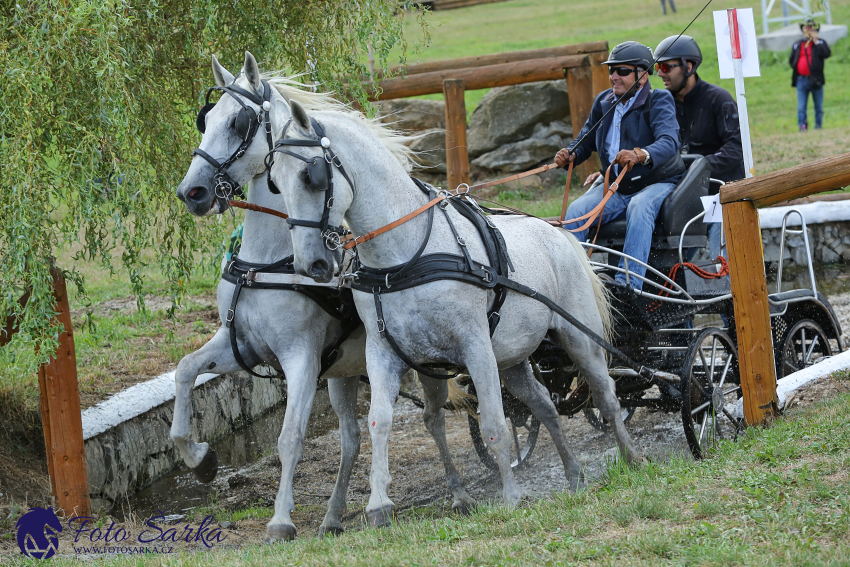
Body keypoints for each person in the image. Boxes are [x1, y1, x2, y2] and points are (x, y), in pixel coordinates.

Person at [555, 41, 682, 290]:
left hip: (656, 182)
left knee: (639, 205)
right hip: (618, 186)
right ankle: (574, 286)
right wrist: (571, 153)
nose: (614, 76)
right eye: (611, 70)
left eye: (622, 71)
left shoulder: (659, 100)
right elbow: (585, 139)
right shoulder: (603, 101)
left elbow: (669, 142)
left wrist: (641, 154)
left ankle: (629, 286)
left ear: (642, 75)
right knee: (575, 213)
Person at [655, 34, 744, 259]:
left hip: (721, 194)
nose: (660, 73)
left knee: (720, 256)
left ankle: (727, 283)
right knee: (673, 258)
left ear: (689, 66)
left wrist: (698, 169)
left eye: (665, 66)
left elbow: (736, 148)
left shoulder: (719, 99)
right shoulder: (663, 104)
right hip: (682, 197)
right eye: (657, 66)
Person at [789, 17, 831, 132]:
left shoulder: (820, 43)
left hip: (816, 79)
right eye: (806, 28)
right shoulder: (798, 44)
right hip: (801, 79)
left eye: (811, 28)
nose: (808, 30)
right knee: (801, 107)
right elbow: (792, 60)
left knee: (818, 106)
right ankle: (802, 127)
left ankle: (818, 126)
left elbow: (826, 54)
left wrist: (816, 41)